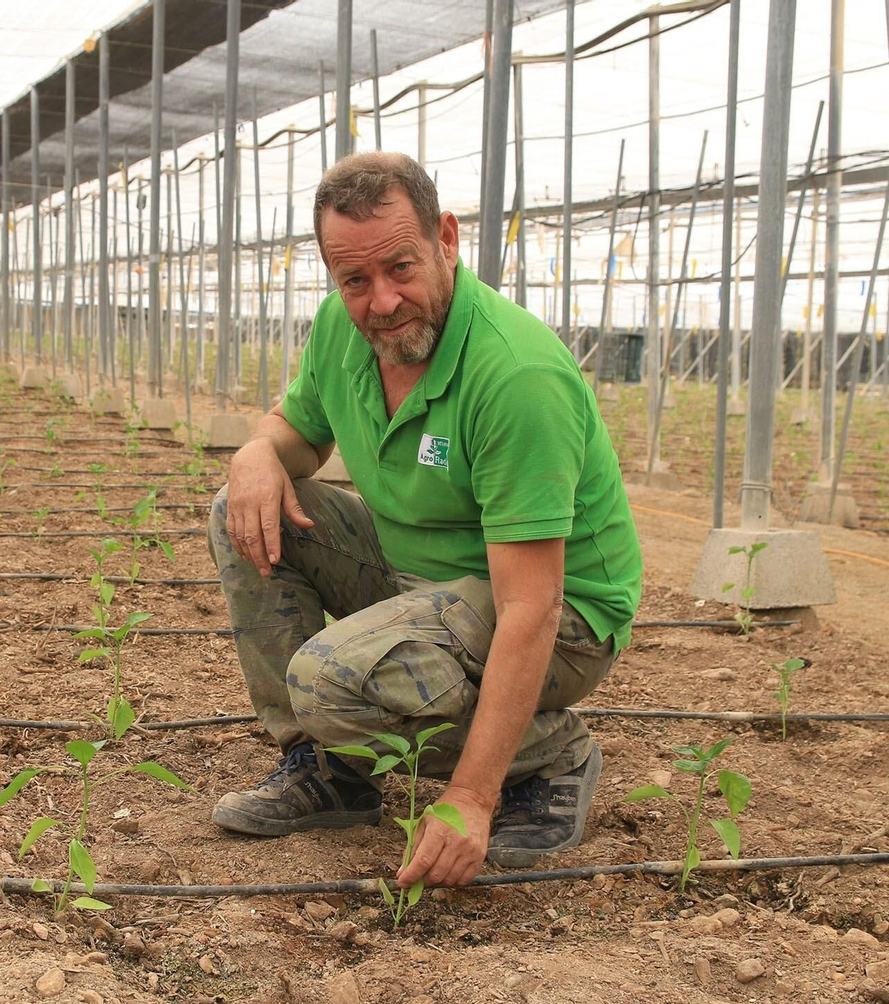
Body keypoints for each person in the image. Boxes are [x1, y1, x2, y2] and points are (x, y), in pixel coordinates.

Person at [206, 152, 641, 889]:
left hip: (558, 618)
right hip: (422, 581)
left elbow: (530, 607)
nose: (381, 301)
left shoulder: (514, 376)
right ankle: (328, 770)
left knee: (330, 679)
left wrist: (469, 798)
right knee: (239, 508)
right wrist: (257, 449)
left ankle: (550, 752)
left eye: (400, 269)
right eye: (355, 281)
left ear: (446, 238)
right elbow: (302, 435)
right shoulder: (344, 334)